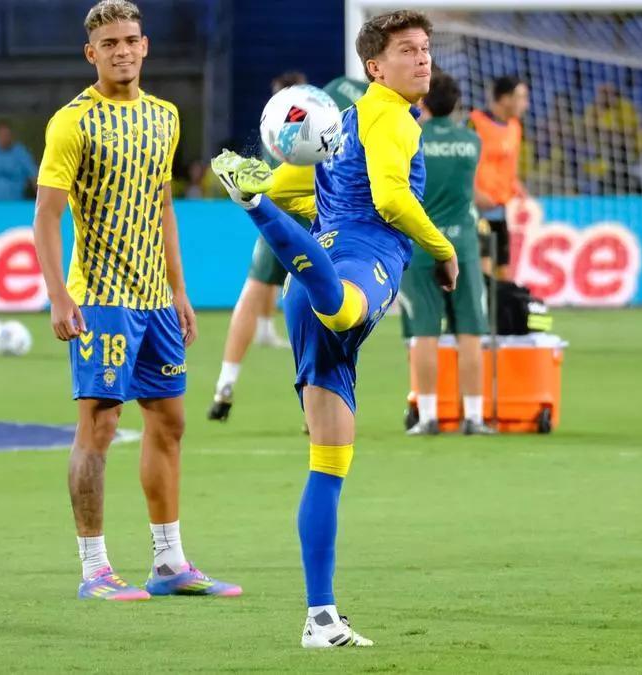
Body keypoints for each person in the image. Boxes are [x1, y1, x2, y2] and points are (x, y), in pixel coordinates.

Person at [210, 9, 457, 647]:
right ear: (375, 67)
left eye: (425, 49)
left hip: (310, 273)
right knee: (345, 309)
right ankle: (258, 214)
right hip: (359, 261)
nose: (423, 59)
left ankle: (320, 619)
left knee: (329, 461)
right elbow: (393, 201)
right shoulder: (390, 118)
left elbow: (300, 186)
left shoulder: (344, 124)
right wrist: (443, 250)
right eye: (408, 51)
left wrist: (268, 190)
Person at [31, 0, 240, 601]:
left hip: (155, 299)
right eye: (110, 43)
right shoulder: (71, 123)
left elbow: (163, 206)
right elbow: (45, 216)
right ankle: (94, 567)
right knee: (99, 424)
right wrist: (58, 295)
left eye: (131, 40)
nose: (122, 50)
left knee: (169, 423)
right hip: (99, 298)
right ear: (90, 53)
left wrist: (180, 290)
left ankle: (169, 563)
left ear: (145, 46)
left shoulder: (165, 117)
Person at [207, 71, 307, 423]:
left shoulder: (270, 126)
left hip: (275, 219)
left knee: (252, 292)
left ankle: (225, 384)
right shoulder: (313, 122)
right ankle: (315, 409)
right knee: (317, 309)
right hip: (310, 220)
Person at [402, 70, 494, 436]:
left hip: (421, 244)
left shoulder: (412, 139)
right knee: (470, 331)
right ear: (456, 105)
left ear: (423, 101)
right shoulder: (472, 142)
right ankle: (473, 416)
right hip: (463, 246)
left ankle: (427, 417)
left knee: (424, 333)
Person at [469, 75, 528, 280]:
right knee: (483, 269)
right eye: (521, 97)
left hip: (499, 209)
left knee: (504, 271)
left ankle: (502, 312)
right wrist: (473, 192)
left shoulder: (515, 127)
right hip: (476, 210)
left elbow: (507, 164)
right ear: (505, 99)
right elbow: (460, 163)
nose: (525, 104)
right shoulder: (474, 123)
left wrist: (515, 184)